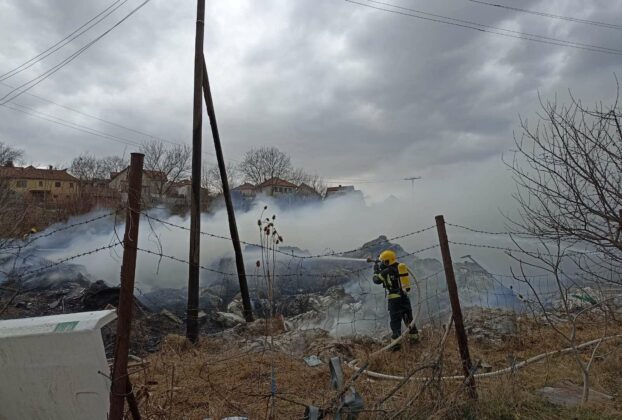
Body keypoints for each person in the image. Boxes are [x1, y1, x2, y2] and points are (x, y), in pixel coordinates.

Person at [372, 249, 419, 350]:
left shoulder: (386, 271)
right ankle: (415, 340)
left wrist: (375, 270)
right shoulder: (399, 267)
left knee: (395, 322)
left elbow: (376, 280)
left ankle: (395, 345)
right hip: (404, 298)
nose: (382, 263)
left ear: (387, 261)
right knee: (408, 319)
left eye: (383, 261)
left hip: (394, 300)